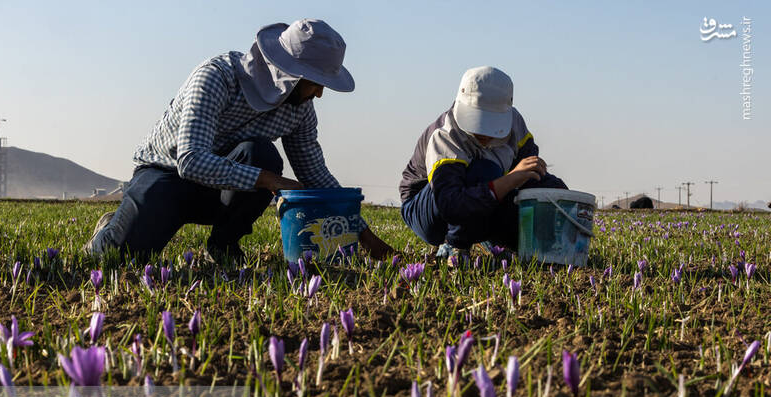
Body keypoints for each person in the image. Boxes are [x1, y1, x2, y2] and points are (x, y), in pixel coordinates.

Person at [84, 19, 392, 262]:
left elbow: (315, 176)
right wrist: (270, 180)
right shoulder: (217, 77)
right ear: (289, 75)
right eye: (316, 83)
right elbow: (190, 160)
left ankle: (222, 245)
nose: (320, 94)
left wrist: (364, 236)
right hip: (167, 176)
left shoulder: (300, 109)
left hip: (224, 190)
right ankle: (109, 230)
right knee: (116, 257)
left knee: (261, 153)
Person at [399, 66, 568, 258]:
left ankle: (488, 239)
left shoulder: (515, 126)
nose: (484, 135)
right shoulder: (446, 133)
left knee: (545, 193)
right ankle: (455, 246)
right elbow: (449, 203)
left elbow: (529, 173)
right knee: (483, 171)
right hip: (429, 209)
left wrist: (556, 193)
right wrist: (510, 179)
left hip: (484, 196)